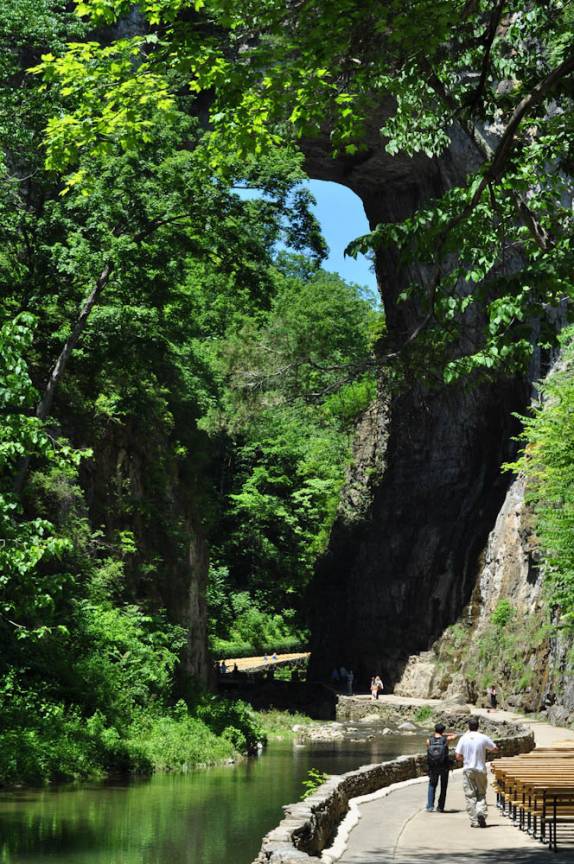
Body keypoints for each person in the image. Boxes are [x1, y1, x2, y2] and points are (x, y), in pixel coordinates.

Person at [455, 717, 498, 827]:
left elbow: (458, 756)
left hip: (468, 769)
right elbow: (495, 749)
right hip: (480, 769)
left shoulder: (463, 738)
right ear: (478, 727)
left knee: (470, 796)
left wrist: (466, 758)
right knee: (481, 794)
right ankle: (481, 812)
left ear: (468, 727)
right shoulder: (483, 737)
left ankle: (474, 821)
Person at [426, 723, 457, 812]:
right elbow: (455, 735)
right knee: (443, 786)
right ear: (443, 731)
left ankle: (430, 806)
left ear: (435, 730)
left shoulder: (428, 740)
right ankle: (440, 807)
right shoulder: (446, 739)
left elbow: (428, 752)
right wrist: (445, 734)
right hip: (444, 766)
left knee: (432, 785)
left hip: (433, 766)